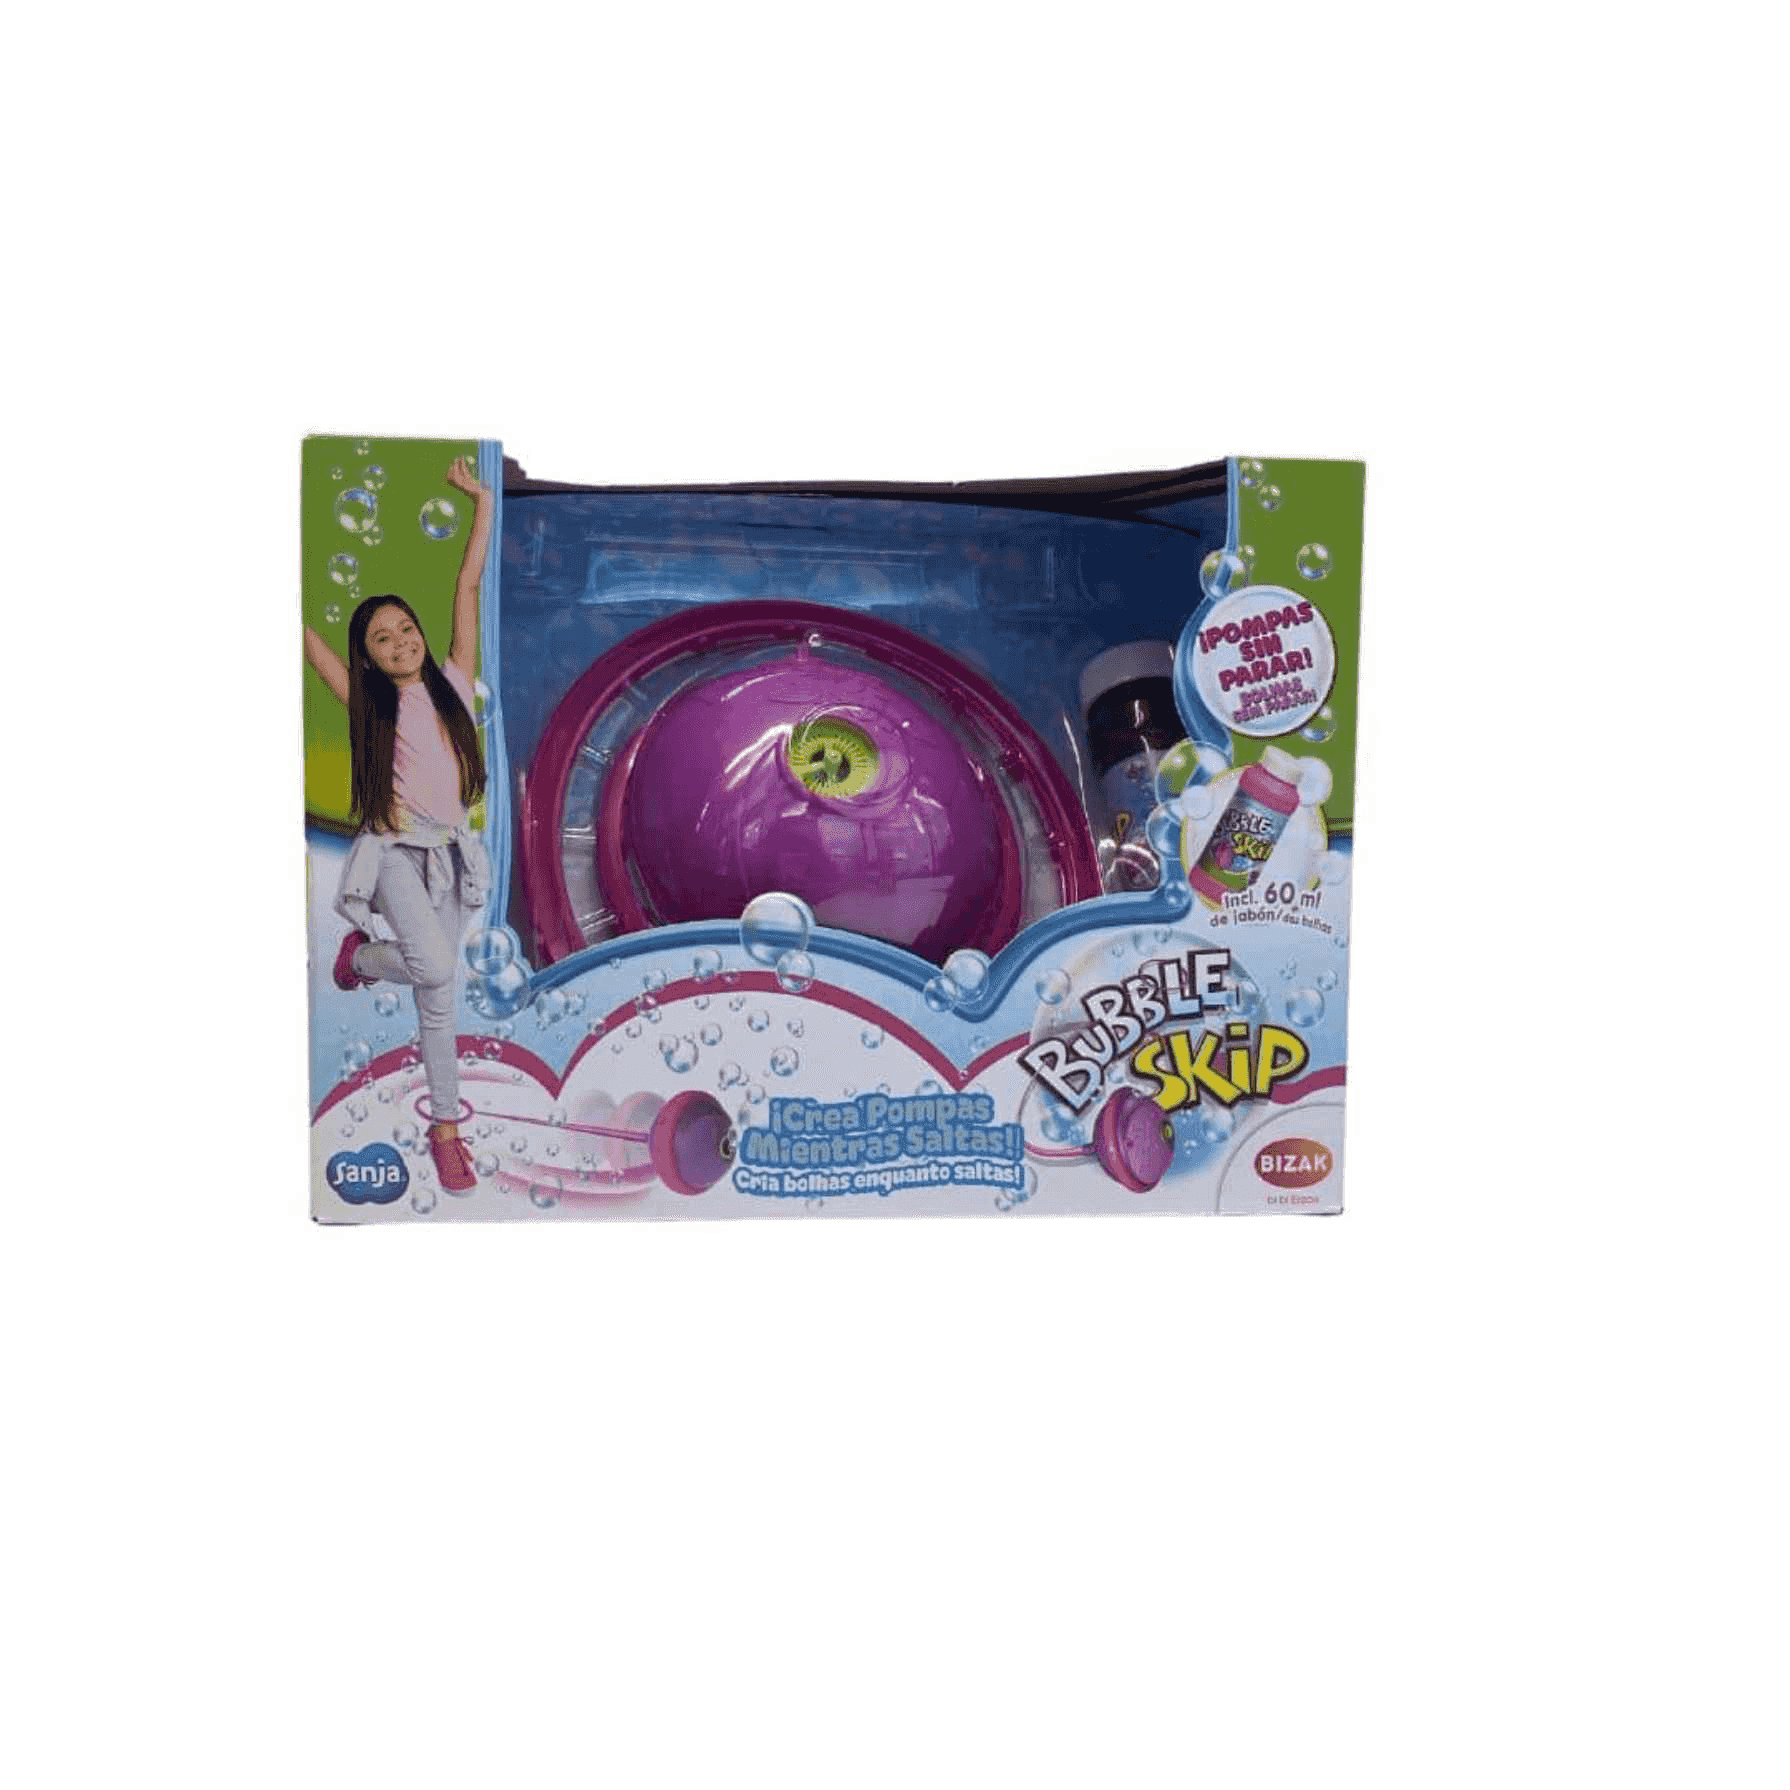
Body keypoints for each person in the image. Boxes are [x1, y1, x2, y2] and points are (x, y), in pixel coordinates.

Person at [304, 456, 493, 1192]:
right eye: (381, 639)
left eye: (405, 628)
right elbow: (311, 645)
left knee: (437, 993)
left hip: (450, 855)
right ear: (368, 657)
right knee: (437, 968)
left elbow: (467, 584)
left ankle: (445, 1129)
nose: (399, 642)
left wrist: (480, 501)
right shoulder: (368, 705)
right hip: (392, 855)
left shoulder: (456, 678)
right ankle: (360, 961)